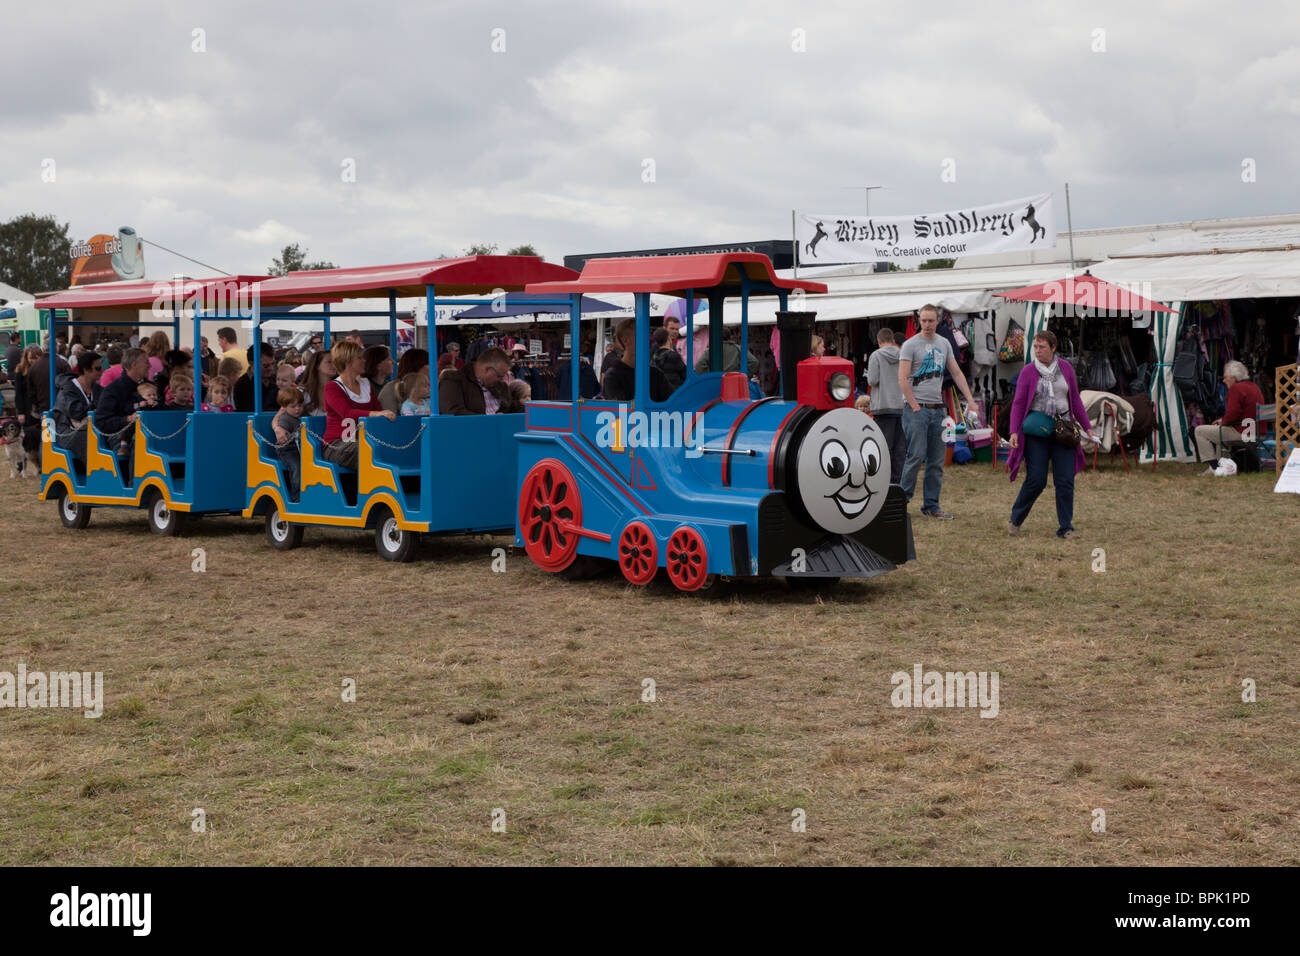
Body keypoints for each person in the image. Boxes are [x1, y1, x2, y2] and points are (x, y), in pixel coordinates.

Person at [1006, 331, 1097, 539]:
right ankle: (1016, 519)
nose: (1037, 351)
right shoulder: (1028, 372)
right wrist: (1013, 432)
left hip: (1063, 430)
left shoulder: (1066, 368)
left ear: (1053, 348)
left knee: (1065, 481)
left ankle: (1065, 528)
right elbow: (1018, 404)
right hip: (1037, 432)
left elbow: (1074, 398)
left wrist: (1087, 427)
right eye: (1035, 347)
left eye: (1042, 347)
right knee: (1036, 480)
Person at [897, 303, 980, 520]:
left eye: (930, 320)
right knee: (915, 457)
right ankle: (900, 504)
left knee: (936, 460)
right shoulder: (909, 344)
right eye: (923, 320)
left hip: (938, 410)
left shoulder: (944, 343)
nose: (926, 324)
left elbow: (957, 373)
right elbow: (902, 378)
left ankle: (932, 506)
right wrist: (914, 405)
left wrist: (970, 400)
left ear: (937, 321)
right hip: (917, 410)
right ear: (918, 321)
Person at [322, 341, 396, 469]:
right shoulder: (332, 387)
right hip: (337, 444)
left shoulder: (366, 383)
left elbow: (377, 410)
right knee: (365, 450)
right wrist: (376, 414)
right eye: (360, 357)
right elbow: (347, 413)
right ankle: (375, 487)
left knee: (384, 448)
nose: (364, 360)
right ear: (348, 360)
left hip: (364, 441)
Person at [1193, 360, 1265, 469]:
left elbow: (1232, 415)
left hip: (1244, 434)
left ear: (1234, 378)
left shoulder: (1236, 389)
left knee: (1199, 431)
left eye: (1226, 377)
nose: (1223, 380)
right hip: (1259, 433)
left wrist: (1223, 421)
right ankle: (1225, 467)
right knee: (1219, 433)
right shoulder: (1254, 387)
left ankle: (1214, 467)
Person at [96, 348, 152, 472]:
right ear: (134, 365)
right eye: (146, 362)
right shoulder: (113, 389)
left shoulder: (149, 386)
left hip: (150, 431)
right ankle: (135, 484)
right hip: (120, 436)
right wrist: (128, 419)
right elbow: (102, 422)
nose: (150, 365)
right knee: (141, 441)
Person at [866, 327, 907, 485]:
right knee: (900, 447)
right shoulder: (903, 354)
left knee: (884, 446)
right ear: (893, 340)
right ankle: (898, 479)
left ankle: (884, 479)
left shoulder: (876, 355)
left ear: (878, 341)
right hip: (900, 406)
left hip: (882, 406)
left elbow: (872, 380)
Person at [603, 319, 672, 402]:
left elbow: (671, 405)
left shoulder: (656, 374)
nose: (648, 338)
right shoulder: (612, 377)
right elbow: (621, 411)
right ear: (625, 340)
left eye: (647, 334)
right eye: (640, 334)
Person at [51, 352, 102, 465]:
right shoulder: (67, 389)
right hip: (68, 432)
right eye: (97, 368)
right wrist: (95, 408)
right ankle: (98, 469)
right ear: (86, 370)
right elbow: (75, 411)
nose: (101, 371)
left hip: (91, 428)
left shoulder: (98, 389)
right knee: (89, 440)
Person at [439, 348, 514, 415]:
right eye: (499, 376)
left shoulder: (500, 386)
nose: (502, 380)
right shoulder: (453, 381)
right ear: (487, 369)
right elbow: (454, 413)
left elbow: (511, 407)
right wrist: (490, 421)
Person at [272, 386, 304, 498]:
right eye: (293, 406)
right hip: (288, 450)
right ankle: (297, 496)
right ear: (285, 407)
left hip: (300, 448)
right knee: (296, 467)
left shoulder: (302, 418)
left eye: (300, 405)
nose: (297, 409)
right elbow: (283, 437)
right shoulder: (285, 419)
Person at [380, 349, 428, 414]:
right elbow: (389, 418)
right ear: (418, 365)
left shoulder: (429, 388)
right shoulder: (391, 389)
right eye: (429, 364)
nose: (434, 367)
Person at [234, 343, 276, 412]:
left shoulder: (277, 380)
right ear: (252, 363)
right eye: (265, 365)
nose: (271, 368)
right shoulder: (242, 385)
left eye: (273, 363)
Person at [300, 349, 337, 417]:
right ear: (317, 366)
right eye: (329, 362)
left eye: (335, 361)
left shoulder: (340, 389)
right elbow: (284, 415)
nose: (334, 365)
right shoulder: (302, 391)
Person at [651, 327, 687, 393]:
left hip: (660, 392)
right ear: (668, 338)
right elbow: (685, 374)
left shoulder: (654, 357)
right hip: (674, 393)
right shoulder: (673, 356)